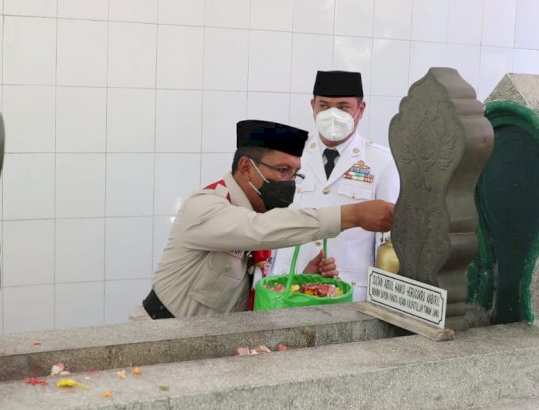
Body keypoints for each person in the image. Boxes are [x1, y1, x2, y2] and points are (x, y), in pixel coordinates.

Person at [132, 120, 395, 320]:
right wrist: (353, 214)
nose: (290, 182)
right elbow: (259, 230)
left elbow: (253, 293)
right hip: (156, 341)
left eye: (295, 174)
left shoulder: (256, 212)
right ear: (246, 167)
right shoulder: (205, 207)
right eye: (282, 170)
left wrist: (301, 282)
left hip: (207, 348)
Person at [271, 70, 400, 301]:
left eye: (342, 107)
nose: (332, 115)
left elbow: (387, 240)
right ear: (312, 106)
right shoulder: (291, 156)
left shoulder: (381, 162)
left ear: (361, 110)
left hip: (349, 293)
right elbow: (271, 224)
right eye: (324, 105)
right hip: (288, 288)